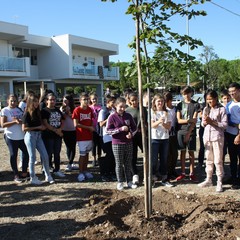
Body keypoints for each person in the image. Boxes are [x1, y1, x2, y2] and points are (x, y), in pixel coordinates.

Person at [198, 90, 228, 192]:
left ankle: (219, 181)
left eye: (211, 99)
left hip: (217, 137)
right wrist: (205, 122)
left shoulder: (221, 109)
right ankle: (209, 179)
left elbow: (224, 125)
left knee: (218, 160)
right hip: (207, 137)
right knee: (209, 159)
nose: (209, 101)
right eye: (207, 99)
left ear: (215, 98)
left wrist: (213, 122)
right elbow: (202, 124)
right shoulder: (206, 109)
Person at [106, 97, 137, 190]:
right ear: (115, 106)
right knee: (119, 163)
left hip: (128, 142)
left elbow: (134, 128)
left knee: (128, 163)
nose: (122, 109)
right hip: (117, 143)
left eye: (124, 107)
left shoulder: (128, 116)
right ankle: (120, 182)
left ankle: (129, 181)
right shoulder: (112, 117)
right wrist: (120, 129)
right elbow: (108, 131)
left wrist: (131, 134)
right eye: (120, 107)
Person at [22, 94, 54, 185]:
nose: (36, 103)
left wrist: (41, 127)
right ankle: (33, 178)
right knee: (32, 157)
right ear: (30, 102)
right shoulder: (26, 113)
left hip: (38, 136)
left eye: (37, 101)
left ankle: (48, 175)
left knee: (45, 155)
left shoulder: (38, 112)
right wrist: (38, 127)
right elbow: (24, 128)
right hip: (30, 136)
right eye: (34, 101)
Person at [0, 94, 29, 183]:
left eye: (15, 101)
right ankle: (16, 174)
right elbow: (3, 124)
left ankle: (24, 172)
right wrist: (14, 122)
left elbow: (24, 121)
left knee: (26, 154)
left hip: (21, 136)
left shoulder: (19, 110)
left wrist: (21, 121)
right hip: (10, 136)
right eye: (11, 101)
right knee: (14, 155)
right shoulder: (5, 110)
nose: (13, 103)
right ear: (8, 101)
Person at [176, 86, 199, 182]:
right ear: (182, 94)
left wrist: (189, 132)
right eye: (184, 93)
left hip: (191, 132)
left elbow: (195, 120)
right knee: (182, 152)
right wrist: (189, 120)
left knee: (191, 153)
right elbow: (179, 120)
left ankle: (192, 173)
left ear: (191, 93)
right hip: (181, 131)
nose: (186, 95)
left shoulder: (196, 105)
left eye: (188, 93)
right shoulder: (179, 105)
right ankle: (182, 172)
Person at [41, 93, 65, 178]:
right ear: (46, 101)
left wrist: (60, 129)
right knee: (48, 153)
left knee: (57, 153)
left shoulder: (57, 110)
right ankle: (46, 169)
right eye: (50, 99)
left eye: (54, 100)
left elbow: (62, 121)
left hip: (58, 135)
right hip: (48, 135)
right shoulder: (44, 111)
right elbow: (45, 123)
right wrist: (56, 130)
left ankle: (57, 169)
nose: (52, 101)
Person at [151, 94, 173, 187]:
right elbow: (152, 125)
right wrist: (159, 121)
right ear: (155, 103)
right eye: (158, 101)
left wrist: (163, 123)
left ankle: (164, 178)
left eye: (162, 101)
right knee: (154, 160)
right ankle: (152, 178)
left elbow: (169, 127)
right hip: (155, 139)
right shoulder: (152, 112)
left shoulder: (167, 113)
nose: (160, 103)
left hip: (165, 139)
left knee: (164, 159)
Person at [72, 92, 94, 182]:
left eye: (87, 99)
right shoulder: (77, 110)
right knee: (82, 154)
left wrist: (91, 127)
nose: (86, 101)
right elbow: (76, 124)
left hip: (89, 136)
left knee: (87, 154)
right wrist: (88, 127)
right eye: (84, 99)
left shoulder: (90, 110)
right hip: (81, 137)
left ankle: (85, 170)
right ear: (80, 100)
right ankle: (80, 172)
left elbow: (91, 120)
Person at [126, 92, 147, 185]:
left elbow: (146, 121)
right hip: (132, 136)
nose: (135, 102)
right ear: (129, 101)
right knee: (132, 156)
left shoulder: (143, 109)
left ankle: (147, 172)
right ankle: (134, 174)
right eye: (132, 100)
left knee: (147, 153)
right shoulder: (127, 111)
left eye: (136, 100)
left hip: (142, 135)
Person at [97, 94, 116, 181]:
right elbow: (101, 124)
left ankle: (112, 172)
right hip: (105, 137)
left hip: (113, 136)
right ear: (108, 102)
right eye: (113, 102)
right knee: (109, 155)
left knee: (113, 155)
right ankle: (104, 172)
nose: (114, 103)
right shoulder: (103, 111)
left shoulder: (113, 110)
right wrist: (109, 118)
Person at [225, 82, 240, 189]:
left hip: (238, 135)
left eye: (233, 91)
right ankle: (233, 177)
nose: (232, 93)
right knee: (232, 158)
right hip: (230, 134)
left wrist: (239, 135)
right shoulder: (229, 105)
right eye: (230, 92)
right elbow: (226, 119)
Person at [60, 94, 77, 172]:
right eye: (63, 100)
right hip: (65, 130)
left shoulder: (74, 108)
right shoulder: (61, 108)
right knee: (68, 147)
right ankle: (70, 162)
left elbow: (75, 118)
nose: (64, 101)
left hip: (73, 130)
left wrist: (69, 113)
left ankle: (70, 162)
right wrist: (64, 113)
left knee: (73, 146)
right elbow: (60, 118)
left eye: (66, 100)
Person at [164, 92, 178, 180]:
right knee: (168, 154)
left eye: (167, 101)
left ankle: (173, 170)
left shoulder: (175, 109)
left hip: (174, 133)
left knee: (175, 154)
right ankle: (168, 172)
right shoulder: (164, 110)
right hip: (166, 133)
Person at [89, 93, 102, 166]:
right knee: (94, 144)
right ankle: (94, 159)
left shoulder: (100, 107)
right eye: (93, 99)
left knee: (99, 144)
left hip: (99, 127)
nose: (94, 100)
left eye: (95, 99)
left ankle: (99, 158)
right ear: (91, 100)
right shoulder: (89, 108)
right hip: (92, 127)